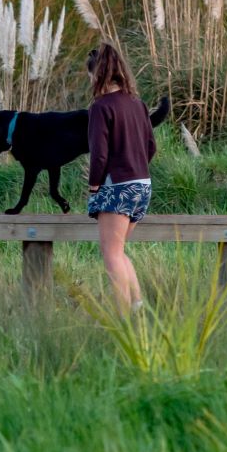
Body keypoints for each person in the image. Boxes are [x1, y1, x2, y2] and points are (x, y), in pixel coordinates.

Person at [84, 43, 156, 311]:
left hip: (117, 187)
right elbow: (151, 146)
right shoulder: (138, 103)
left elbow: (99, 154)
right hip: (142, 185)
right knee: (119, 250)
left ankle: (124, 318)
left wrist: (94, 186)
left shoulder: (101, 107)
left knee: (111, 254)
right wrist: (134, 167)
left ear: (97, 74)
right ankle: (138, 308)